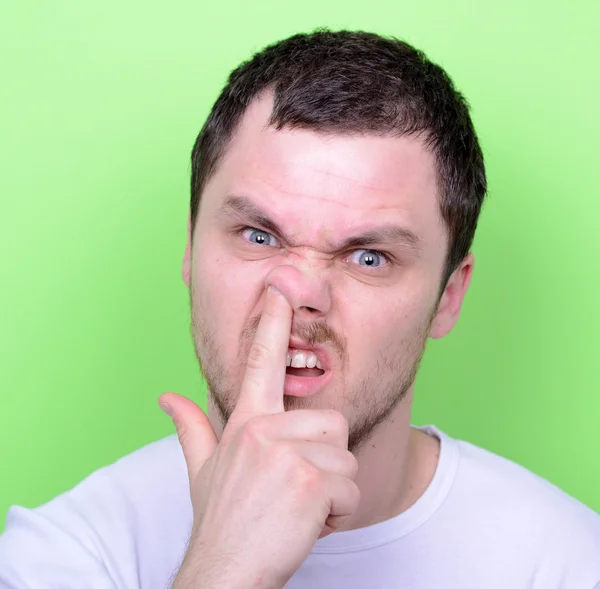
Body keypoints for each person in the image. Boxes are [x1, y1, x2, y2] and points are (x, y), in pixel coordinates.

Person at [1, 28, 599, 589]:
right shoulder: (65, 555)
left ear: (449, 296)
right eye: (258, 236)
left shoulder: (567, 563)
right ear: (189, 248)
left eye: (368, 257)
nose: (299, 290)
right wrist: (225, 567)